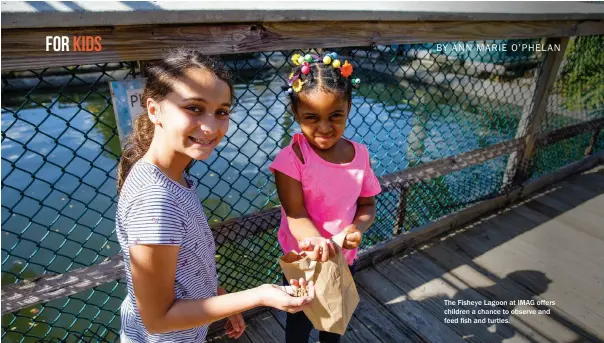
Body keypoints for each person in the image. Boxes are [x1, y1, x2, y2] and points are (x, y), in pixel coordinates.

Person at [115, 48, 314, 343]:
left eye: (221, 111)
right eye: (194, 108)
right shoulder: (155, 199)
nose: (211, 127)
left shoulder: (174, 176)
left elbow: (188, 265)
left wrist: (221, 300)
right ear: (154, 110)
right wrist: (258, 296)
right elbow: (157, 319)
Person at [269, 52, 382, 343]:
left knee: (333, 321)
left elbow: (367, 204)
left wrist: (358, 227)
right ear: (295, 113)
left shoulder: (361, 155)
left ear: (349, 108)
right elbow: (295, 214)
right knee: (299, 322)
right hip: (304, 262)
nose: (324, 127)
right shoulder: (291, 160)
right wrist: (316, 241)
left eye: (335, 116)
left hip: (344, 257)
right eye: (311, 117)